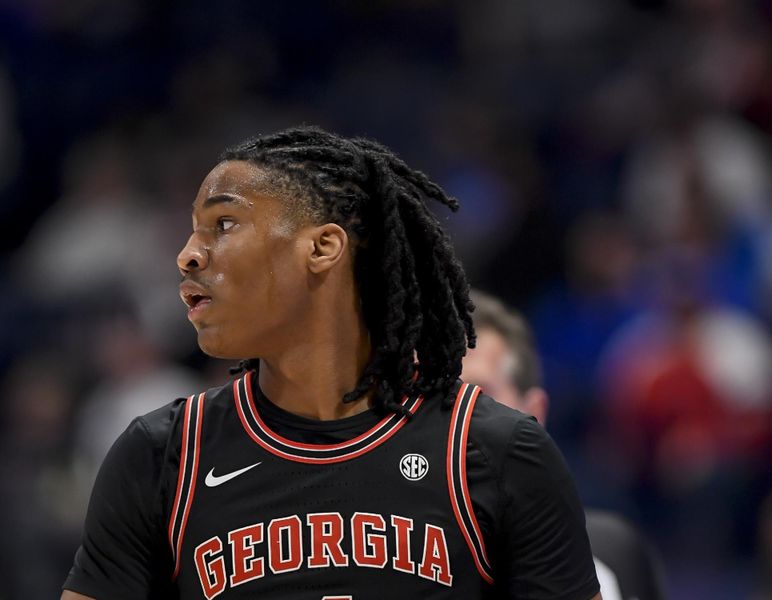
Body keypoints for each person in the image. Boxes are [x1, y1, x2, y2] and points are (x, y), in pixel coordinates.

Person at [62, 126, 600, 599]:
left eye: (224, 224)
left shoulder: (495, 452)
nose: (189, 254)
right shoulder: (161, 457)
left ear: (322, 248)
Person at [461, 290, 666, 600]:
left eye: (477, 394)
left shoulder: (615, 553)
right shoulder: (376, 564)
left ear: (534, 415)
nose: (452, 414)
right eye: (430, 393)